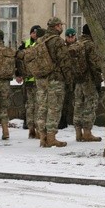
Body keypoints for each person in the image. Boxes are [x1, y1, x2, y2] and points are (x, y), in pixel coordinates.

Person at [35, 17, 72, 148]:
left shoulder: (40, 40)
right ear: (56, 26)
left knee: (42, 108)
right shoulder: (57, 41)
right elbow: (65, 62)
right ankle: (51, 138)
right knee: (54, 108)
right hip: (55, 79)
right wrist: (69, 79)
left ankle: (42, 137)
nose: (61, 27)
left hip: (41, 79)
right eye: (60, 25)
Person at [72, 24, 102, 142]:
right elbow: (96, 63)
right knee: (90, 104)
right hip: (89, 79)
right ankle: (87, 132)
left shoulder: (77, 44)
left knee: (78, 104)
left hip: (78, 79)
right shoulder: (90, 45)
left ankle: (78, 132)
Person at [18, 25, 41, 138]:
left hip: (36, 79)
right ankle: (32, 128)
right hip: (31, 80)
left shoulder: (30, 45)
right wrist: (18, 74)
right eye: (34, 33)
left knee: (33, 105)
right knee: (33, 105)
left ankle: (33, 128)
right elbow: (18, 60)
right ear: (31, 33)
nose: (35, 35)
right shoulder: (26, 45)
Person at [59, 27, 78, 130]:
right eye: (68, 37)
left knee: (77, 100)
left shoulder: (79, 46)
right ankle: (63, 120)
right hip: (65, 77)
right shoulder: (62, 47)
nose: (71, 39)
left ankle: (77, 122)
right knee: (63, 100)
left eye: (72, 37)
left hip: (76, 77)